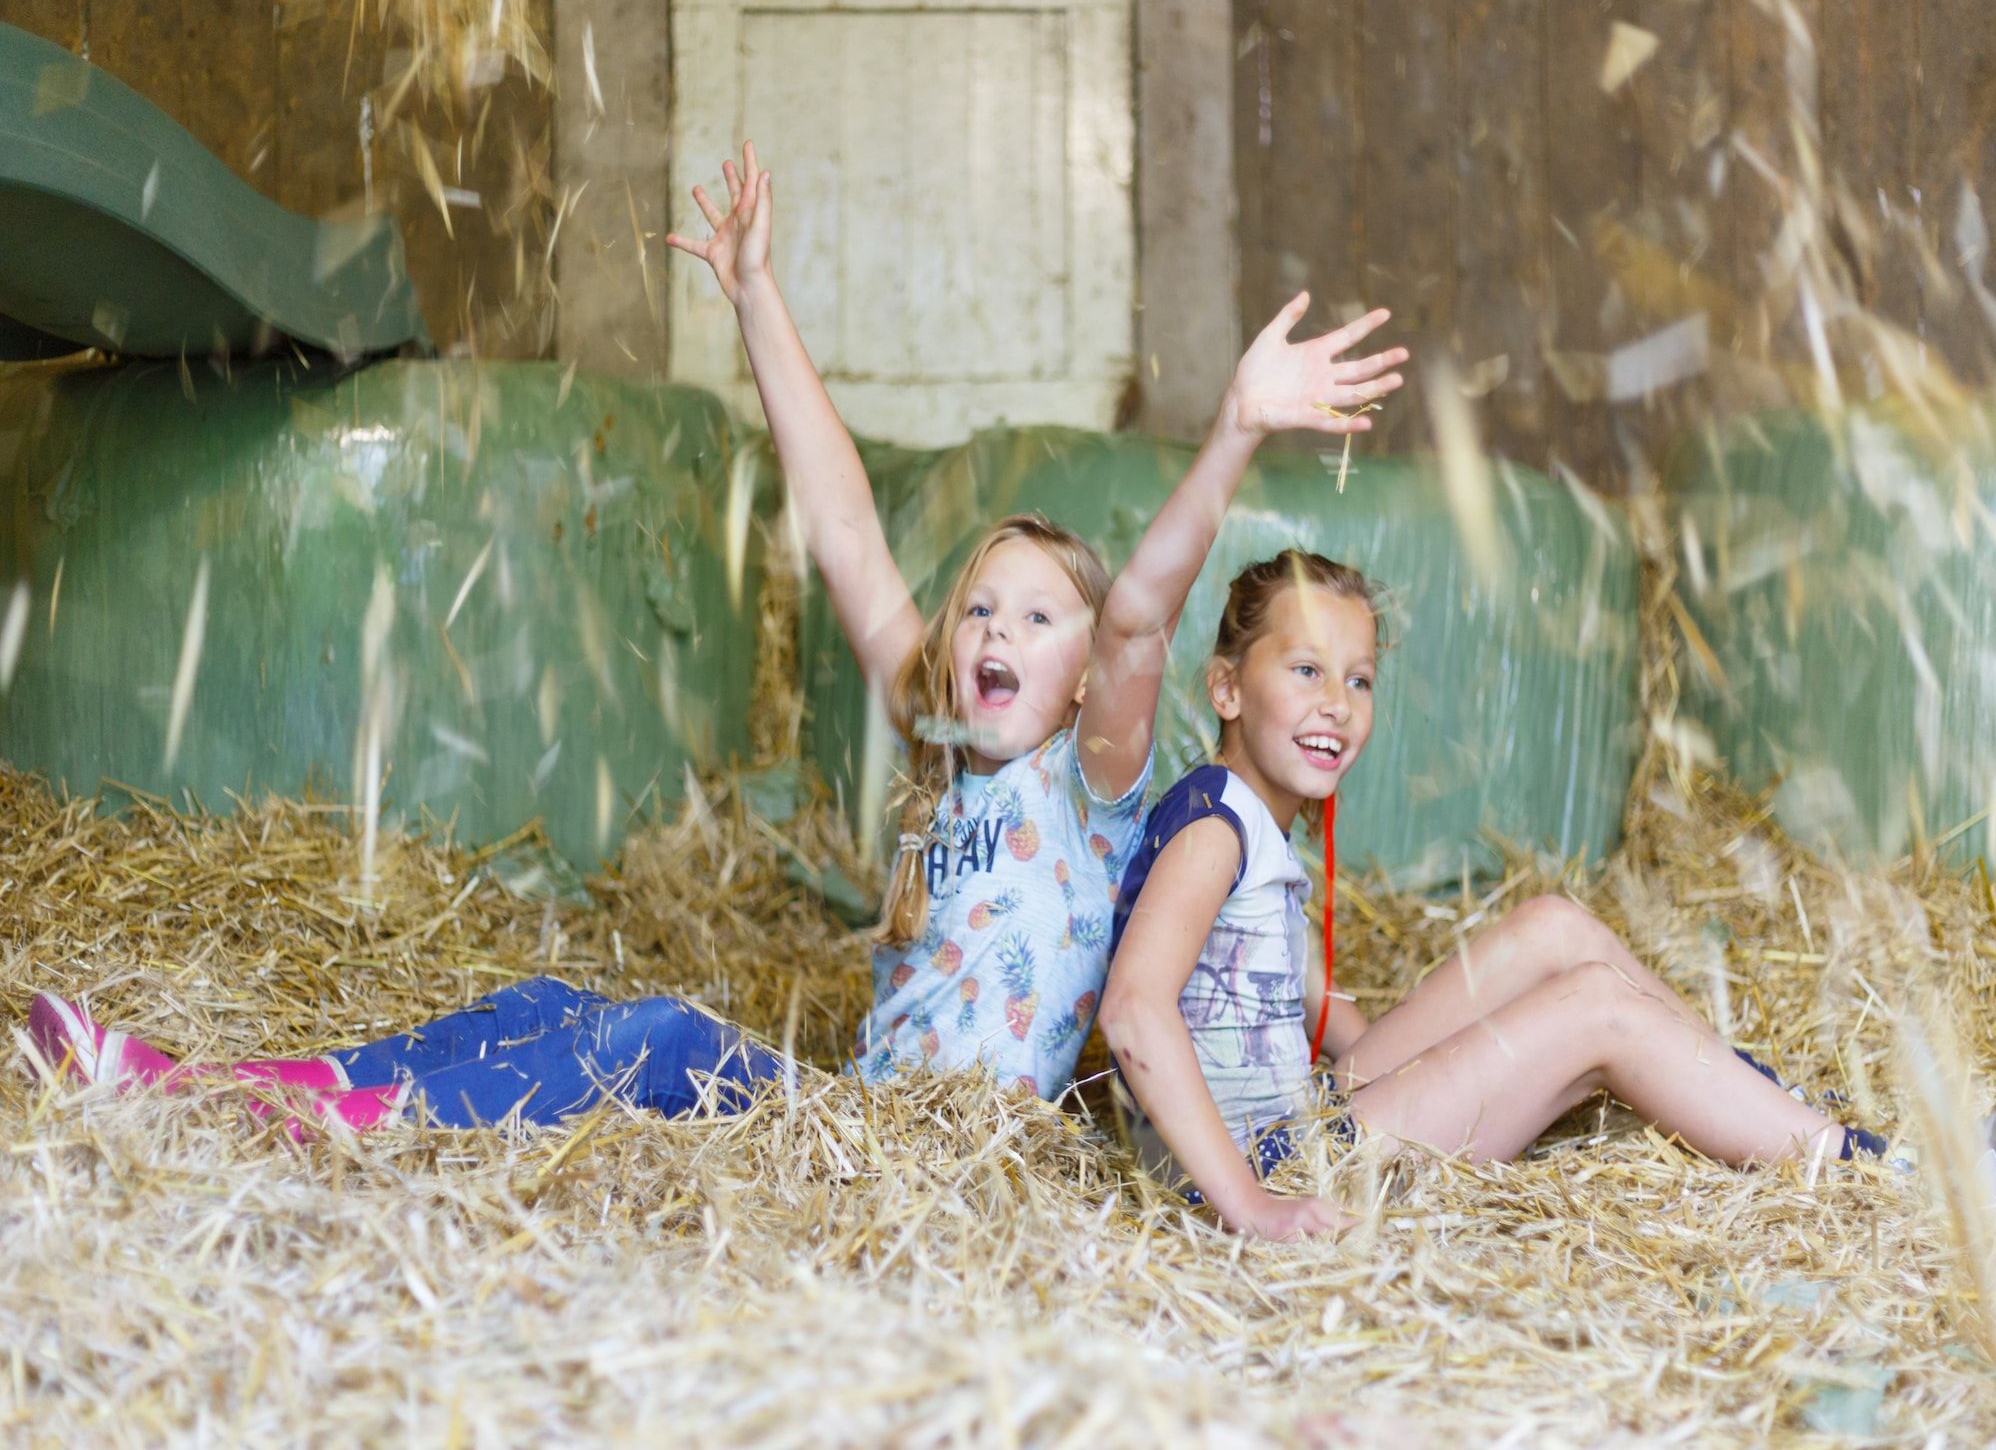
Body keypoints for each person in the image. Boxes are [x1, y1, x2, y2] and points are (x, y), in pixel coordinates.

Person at [22, 147, 1408, 1133]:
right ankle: (246, 1087)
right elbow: (849, 531)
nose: (995, 626)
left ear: (1081, 672)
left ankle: (349, 1124)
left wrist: (1232, 429)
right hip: (857, 1124)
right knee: (546, 999)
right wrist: (754, 299)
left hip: (906, 1159)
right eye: (981, 602)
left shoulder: (1096, 787)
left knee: (659, 1039)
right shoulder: (951, 749)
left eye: (1040, 617)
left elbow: (1146, 610)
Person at [1097, 549, 1996, 1241]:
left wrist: (1441, 1055)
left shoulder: (1243, 815)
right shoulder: (1213, 830)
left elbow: (1289, 1003)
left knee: (1554, 930)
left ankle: (1757, 1102)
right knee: (1593, 1014)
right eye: (1304, 671)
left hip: (1299, 1113)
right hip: (1253, 1171)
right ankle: (1901, 1180)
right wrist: (1254, 1206)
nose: (1337, 705)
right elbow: (1136, 1010)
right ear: (1226, 687)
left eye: (1359, 680)